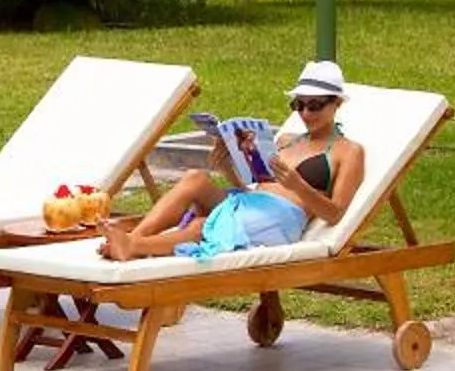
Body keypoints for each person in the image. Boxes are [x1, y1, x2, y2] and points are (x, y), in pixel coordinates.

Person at [100, 60, 363, 261]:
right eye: (298, 105)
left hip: (281, 219)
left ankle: (132, 247)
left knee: (203, 226)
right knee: (195, 179)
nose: (305, 113)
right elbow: (254, 185)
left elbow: (335, 213)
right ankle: (132, 238)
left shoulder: (347, 151)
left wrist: (297, 186)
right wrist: (228, 162)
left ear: (337, 103)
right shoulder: (286, 141)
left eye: (315, 105)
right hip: (250, 202)